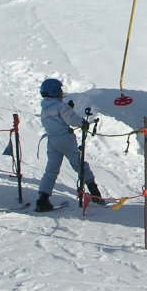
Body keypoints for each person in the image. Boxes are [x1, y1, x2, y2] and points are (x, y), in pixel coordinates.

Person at [36, 78, 104, 212]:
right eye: (60, 90)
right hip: (65, 138)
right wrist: (82, 122)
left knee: (51, 169)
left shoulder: (44, 108)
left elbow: (57, 119)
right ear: (54, 91)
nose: (62, 92)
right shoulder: (61, 106)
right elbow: (72, 119)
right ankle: (95, 194)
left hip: (52, 141)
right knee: (79, 164)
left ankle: (42, 199)